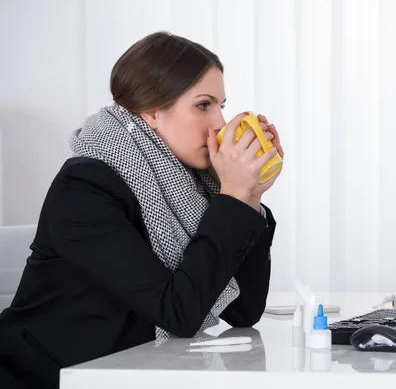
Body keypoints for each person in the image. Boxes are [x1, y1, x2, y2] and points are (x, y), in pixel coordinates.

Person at [0, 31, 283, 389]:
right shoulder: (84, 188)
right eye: (203, 105)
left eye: (221, 106)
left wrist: (249, 197)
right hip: (44, 377)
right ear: (151, 110)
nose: (219, 125)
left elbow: (243, 310)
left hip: (129, 372)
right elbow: (179, 313)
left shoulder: (193, 184)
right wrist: (232, 196)